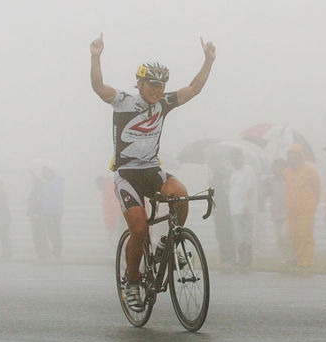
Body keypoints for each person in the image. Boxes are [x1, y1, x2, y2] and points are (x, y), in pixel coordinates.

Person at [90, 33, 215, 310]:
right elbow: (99, 87)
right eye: (152, 85)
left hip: (152, 170)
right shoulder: (123, 101)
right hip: (127, 176)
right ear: (140, 83)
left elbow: (194, 88)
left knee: (180, 195)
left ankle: (165, 246)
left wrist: (208, 60)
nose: (157, 90)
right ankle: (132, 281)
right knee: (139, 229)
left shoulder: (164, 104)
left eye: (161, 86)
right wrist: (96, 56)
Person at [283, 143, 321, 267]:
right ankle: (298, 259)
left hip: (306, 208)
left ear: (300, 156)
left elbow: (317, 189)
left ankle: (306, 260)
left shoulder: (310, 170)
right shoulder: (286, 172)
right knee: (295, 235)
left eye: (294, 155)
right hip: (291, 209)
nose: (291, 158)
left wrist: (313, 204)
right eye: (290, 155)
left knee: (305, 234)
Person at [228, 149, 257, 267]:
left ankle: (247, 259)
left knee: (246, 234)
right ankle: (241, 258)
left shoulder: (248, 170)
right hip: (235, 208)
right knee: (238, 234)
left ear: (242, 158)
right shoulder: (234, 172)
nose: (235, 161)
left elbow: (250, 188)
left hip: (245, 208)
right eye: (233, 159)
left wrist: (247, 204)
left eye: (237, 158)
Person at [262, 158, 289, 263]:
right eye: (275, 166)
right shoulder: (270, 181)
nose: (277, 169)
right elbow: (265, 194)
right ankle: (284, 259)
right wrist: (265, 185)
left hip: (287, 213)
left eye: (280, 166)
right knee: (278, 238)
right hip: (276, 213)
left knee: (285, 235)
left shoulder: (288, 179)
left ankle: (290, 256)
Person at [209, 168, 236, 265]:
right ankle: (224, 256)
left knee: (226, 235)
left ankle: (230, 257)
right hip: (219, 215)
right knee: (221, 235)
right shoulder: (214, 189)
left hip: (224, 215)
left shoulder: (223, 189)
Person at [41, 166, 64, 259]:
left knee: (54, 232)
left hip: (54, 212)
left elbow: (54, 199)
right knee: (51, 232)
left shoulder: (55, 184)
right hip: (49, 211)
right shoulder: (49, 183)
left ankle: (57, 251)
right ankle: (55, 250)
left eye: (45, 174)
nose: (43, 176)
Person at [96, 175, 123, 247]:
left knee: (119, 236)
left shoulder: (109, 191)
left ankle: (122, 253)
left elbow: (111, 209)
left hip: (119, 216)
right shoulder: (108, 188)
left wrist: (110, 225)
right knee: (119, 236)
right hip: (119, 215)